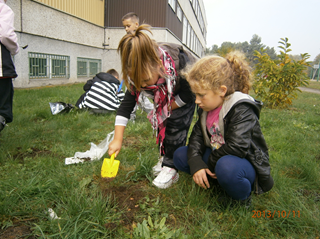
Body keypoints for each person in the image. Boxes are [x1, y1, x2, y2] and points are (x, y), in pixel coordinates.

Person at [173, 51, 274, 206]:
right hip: (218, 157)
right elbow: (197, 138)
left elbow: (237, 147)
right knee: (181, 155)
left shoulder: (242, 108)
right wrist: (196, 163)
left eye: (201, 95)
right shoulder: (206, 107)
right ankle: (216, 182)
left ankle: (242, 198)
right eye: (195, 95)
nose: (197, 101)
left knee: (226, 167)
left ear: (222, 90)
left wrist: (210, 163)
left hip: (241, 163)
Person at [108, 24, 196, 189]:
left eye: (146, 81)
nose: (142, 85)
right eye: (138, 82)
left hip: (187, 92)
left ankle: (171, 167)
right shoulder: (138, 74)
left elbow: (188, 94)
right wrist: (117, 139)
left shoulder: (180, 65)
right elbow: (125, 107)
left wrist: (166, 108)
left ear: (158, 65)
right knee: (164, 124)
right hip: (165, 96)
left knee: (176, 124)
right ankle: (165, 158)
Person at [121, 12, 154, 120]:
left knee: (142, 98)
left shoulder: (142, 40)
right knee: (131, 96)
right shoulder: (127, 41)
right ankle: (131, 116)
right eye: (124, 26)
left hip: (142, 76)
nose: (126, 29)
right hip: (132, 77)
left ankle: (154, 113)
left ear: (136, 24)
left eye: (128, 26)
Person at [0, 0, 19, 133]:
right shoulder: (3, 8)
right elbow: (6, 34)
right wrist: (15, 49)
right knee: (2, 109)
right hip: (1, 68)